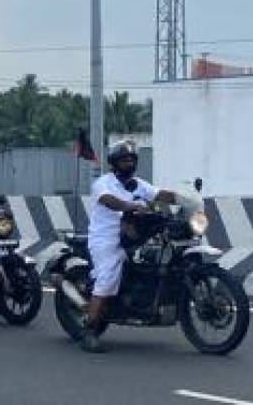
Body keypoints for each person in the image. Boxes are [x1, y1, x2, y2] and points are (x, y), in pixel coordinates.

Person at [80, 140, 176, 353]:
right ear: (114, 162)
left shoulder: (139, 184)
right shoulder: (103, 183)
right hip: (106, 239)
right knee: (107, 277)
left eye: (132, 159)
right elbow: (108, 200)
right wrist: (129, 205)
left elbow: (160, 195)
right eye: (124, 160)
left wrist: (184, 197)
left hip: (134, 237)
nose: (129, 163)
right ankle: (90, 331)